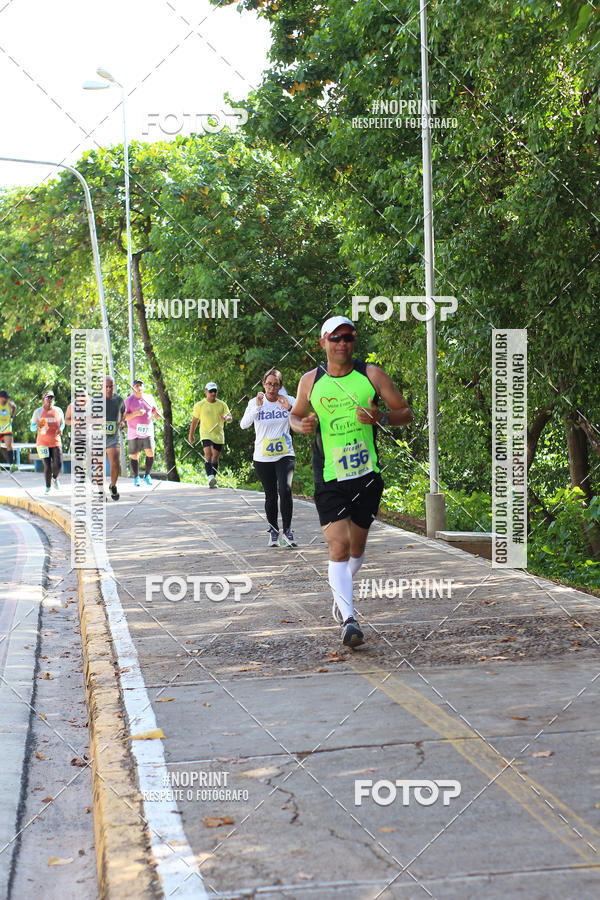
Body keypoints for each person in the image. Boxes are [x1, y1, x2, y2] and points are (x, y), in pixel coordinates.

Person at [290, 315, 413, 648]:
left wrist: (381, 417)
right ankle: (349, 619)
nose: (342, 343)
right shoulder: (310, 381)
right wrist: (300, 425)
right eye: (335, 338)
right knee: (339, 546)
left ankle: (340, 591)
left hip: (366, 476)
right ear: (323, 343)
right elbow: (295, 415)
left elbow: (406, 413)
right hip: (329, 475)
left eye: (348, 337)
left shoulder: (371, 376)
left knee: (356, 549)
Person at [240, 368, 297, 548]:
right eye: (268, 384)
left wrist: (289, 408)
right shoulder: (255, 402)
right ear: (263, 384)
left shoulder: (289, 401)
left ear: (280, 386)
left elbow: (302, 418)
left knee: (285, 489)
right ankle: (273, 531)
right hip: (262, 458)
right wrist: (257, 406)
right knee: (271, 495)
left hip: (285, 454)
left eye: (275, 384)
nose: (272, 388)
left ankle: (287, 531)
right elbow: (244, 425)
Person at [188, 382, 232, 488]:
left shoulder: (222, 404)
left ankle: (212, 479)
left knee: (215, 457)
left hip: (218, 434)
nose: (213, 393)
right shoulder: (199, 405)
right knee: (208, 454)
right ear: (206, 392)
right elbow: (194, 421)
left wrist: (227, 418)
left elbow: (229, 417)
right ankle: (210, 476)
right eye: (211, 391)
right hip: (206, 433)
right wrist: (191, 435)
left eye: (215, 391)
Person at [124, 380, 161, 486]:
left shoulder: (149, 398)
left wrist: (157, 414)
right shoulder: (128, 401)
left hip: (147, 429)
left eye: (140, 385)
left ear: (143, 387)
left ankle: (147, 475)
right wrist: (136, 413)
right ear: (133, 388)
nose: (139, 387)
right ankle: (136, 477)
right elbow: (124, 417)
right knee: (134, 454)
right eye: (136, 386)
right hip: (133, 431)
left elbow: (155, 411)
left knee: (150, 451)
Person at [30, 390, 65, 494]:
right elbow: (32, 428)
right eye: (47, 398)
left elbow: (62, 424)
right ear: (43, 400)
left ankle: (54, 478)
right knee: (47, 465)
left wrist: (61, 429)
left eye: (51, 398)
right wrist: (38, 425)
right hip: (42, 443)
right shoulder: (38, 412)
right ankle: (48, 487)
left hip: (55, 441)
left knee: (58, 463)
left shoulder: (58, 411)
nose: (50, 400)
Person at [103, 377, 126, 500]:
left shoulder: (119, 399)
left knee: (115, 463)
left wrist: (122, 421)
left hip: (113, 436)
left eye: (110, 386)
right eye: (106, 386)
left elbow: (123, 412)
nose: (108, 389)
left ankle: (113, 485)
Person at [0, 390, 18, 471]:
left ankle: (12, 465)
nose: (6, 399)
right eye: (5, 398)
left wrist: (12, 417)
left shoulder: (9, 404)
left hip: (7, 427)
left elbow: (14, 407)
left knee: (9, 446)